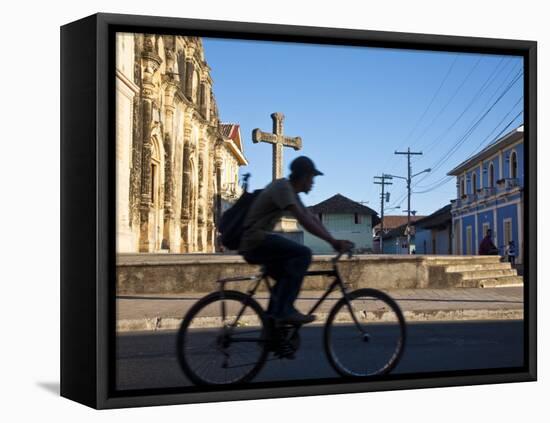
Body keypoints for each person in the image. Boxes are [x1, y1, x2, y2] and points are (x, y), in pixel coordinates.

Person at [239, 156, 354, 325]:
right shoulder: (283, 187)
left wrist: (333, 240)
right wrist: (333, 243)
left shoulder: (292, 192)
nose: (313, 183)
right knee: (303, 254)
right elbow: (303, 219)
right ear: (304, 177)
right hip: (254, 240)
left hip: (257, 240)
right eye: (312, 178)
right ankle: (284, 311)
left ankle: (273, 326)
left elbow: (311, 218)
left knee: (287, 275)